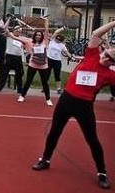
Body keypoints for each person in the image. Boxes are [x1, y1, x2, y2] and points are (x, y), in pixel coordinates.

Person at [31, 20, 115, 190]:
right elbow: (96, 34)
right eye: (105, 53)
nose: (104, 57)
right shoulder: (92, 54)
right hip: (67, 100)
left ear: (112, 63)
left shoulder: (109, 75)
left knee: (92, 139)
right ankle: (45, 160)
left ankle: (102, 173)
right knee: (55, 131)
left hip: (84, 106)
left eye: (109, 58)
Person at [18, 18, 53, 105]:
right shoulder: (30, 42)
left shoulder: (45, 42)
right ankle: (22, 96)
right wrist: (8, 33)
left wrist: (46, 21)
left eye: (39, 35)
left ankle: (48, 99)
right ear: (34, 36)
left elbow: (46, 30)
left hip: (43, 66)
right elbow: (17, 37)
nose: (38, 36)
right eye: (37, 35)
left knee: (45, 83)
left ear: (42, 36)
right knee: (28, 81)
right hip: (32, 65)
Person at [0, 24, 29, 93]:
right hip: (9, 56)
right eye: (17, 30)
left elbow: (25, 45)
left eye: (19, 31)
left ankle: (19, 89)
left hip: (18, 58)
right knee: (4, 73)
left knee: (20, 73)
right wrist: (10, 20)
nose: (18, 32)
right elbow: (6, 29)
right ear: (14, 30)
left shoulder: (22, 38)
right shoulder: (9, 35)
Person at [46, 27, 72, 94]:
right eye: (57, 39)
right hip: (49, 59)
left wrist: (71, 56)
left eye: (59, 40)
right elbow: (56, 32)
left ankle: (58, 89)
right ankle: (44, 87)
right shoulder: (52, 41)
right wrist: (62, 28)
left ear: (61, 41)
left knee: (57, 75)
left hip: (57, 61)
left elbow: (67, 52)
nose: (57, 40)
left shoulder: (62, 45)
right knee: (47, 74)